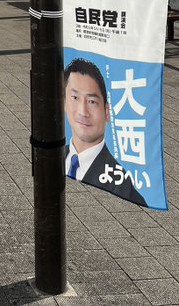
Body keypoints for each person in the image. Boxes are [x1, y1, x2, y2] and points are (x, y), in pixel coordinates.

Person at [63, 57, 147, 206]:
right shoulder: (56, 156)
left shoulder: (123, 185)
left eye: (92, 102)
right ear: (64, 102)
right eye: (75, 97)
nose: (83, 112)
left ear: (106, 112)